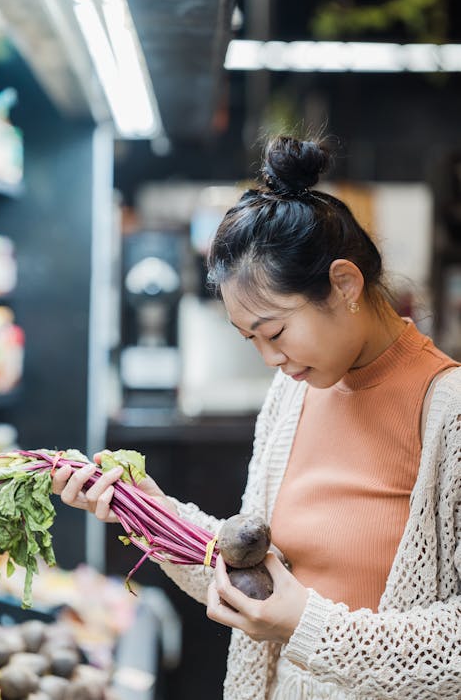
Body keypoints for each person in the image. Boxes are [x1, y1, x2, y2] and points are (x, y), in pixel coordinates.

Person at [53, 136, 461, 699]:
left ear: (344, 284)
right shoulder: (291, 395)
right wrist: (142, 508)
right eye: (251, 339)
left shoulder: (450, 414)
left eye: (275, 331)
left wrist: (305, 625)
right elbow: (252, 580)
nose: (270, 357)